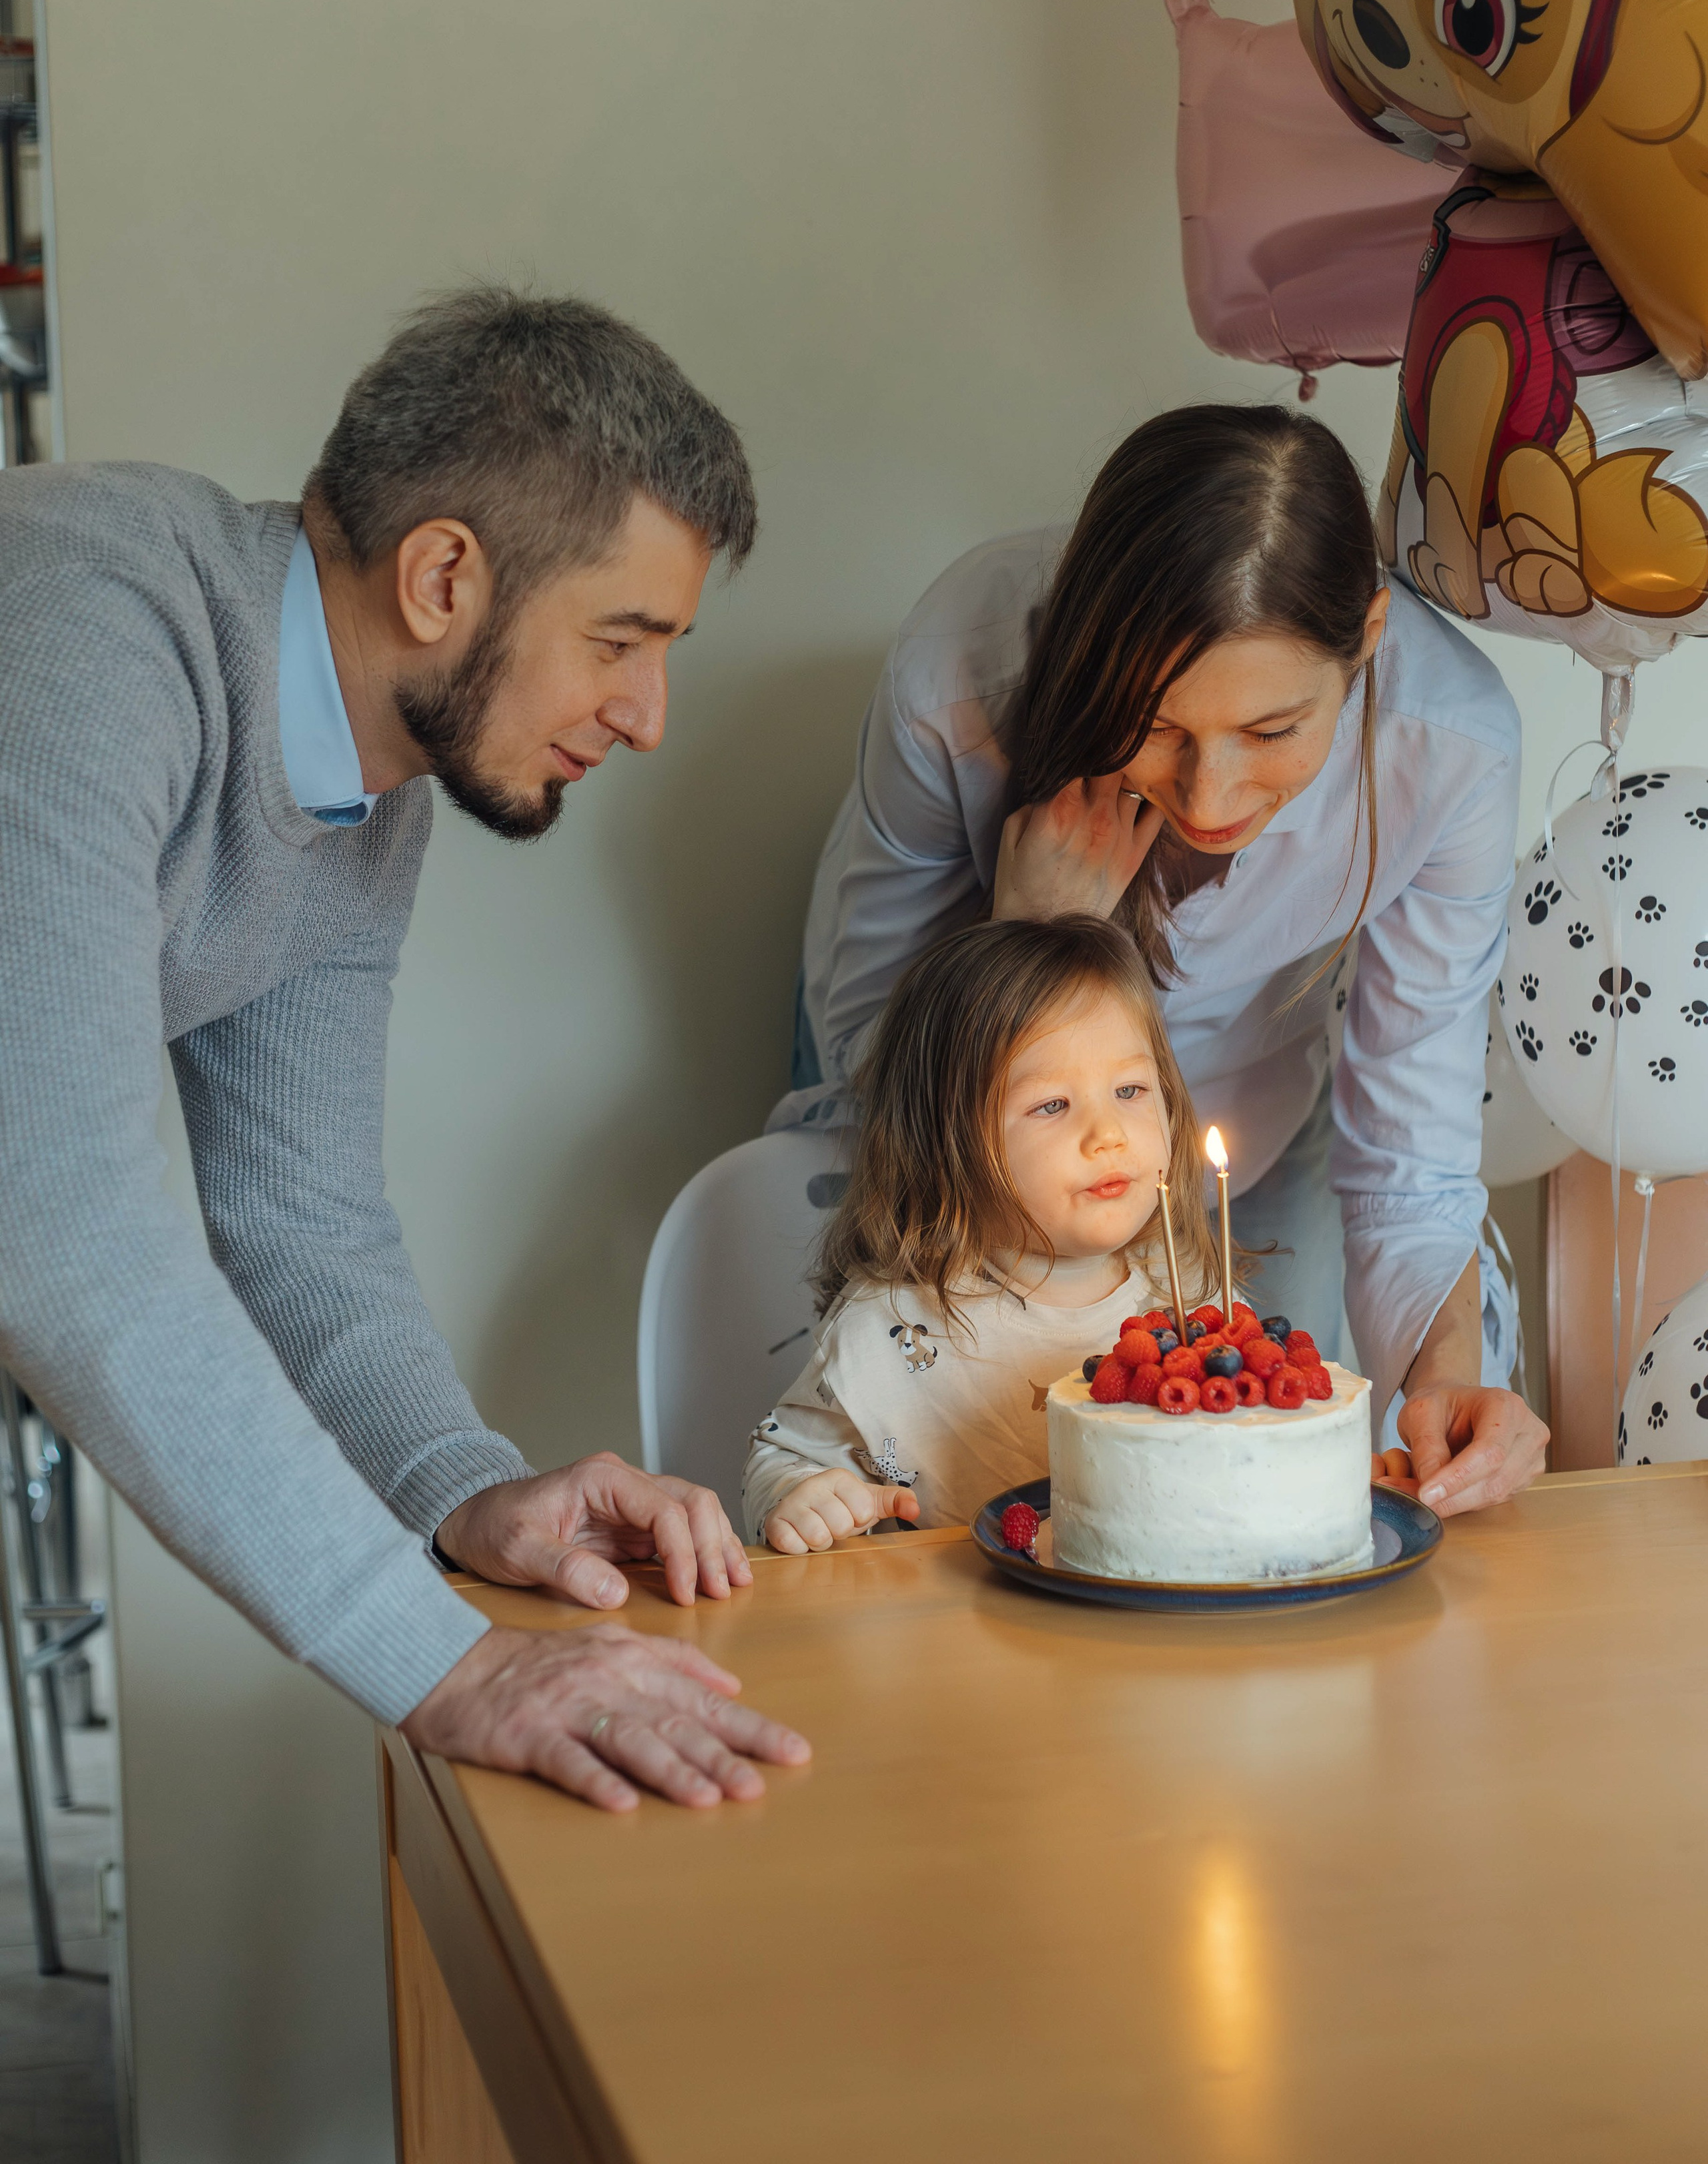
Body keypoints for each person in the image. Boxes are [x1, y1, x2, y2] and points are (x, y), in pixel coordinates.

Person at [0, 287, 809, 1816]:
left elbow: (297, 1227)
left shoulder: (365, 801)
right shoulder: (88, 629)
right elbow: (68, 1229)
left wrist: (464, 1488)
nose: (644, 717)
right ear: (443, 573)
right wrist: (451, 1666)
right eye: (618, 641)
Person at [774, 404, 1549, 1515]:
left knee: (1221, 1486)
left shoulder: (1453, 747)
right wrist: (1033, 936)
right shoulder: (957, 675)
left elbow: (1412, 1159)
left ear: (1368, 640)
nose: (1207, 796)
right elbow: (872, 1058)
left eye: (1272, 734)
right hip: (953, 1108)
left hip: (1247, 1127)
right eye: (1159, 725)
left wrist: (1446, 1389)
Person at [745, 916, 1222, 1549]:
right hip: (955, 1637)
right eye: (1052, 1105)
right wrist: (799, 1498)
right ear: (944, 1144)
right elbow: (782, 1458)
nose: (1108, 1133)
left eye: (1131, 1089)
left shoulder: (1190, 1293)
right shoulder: (888, 1326)